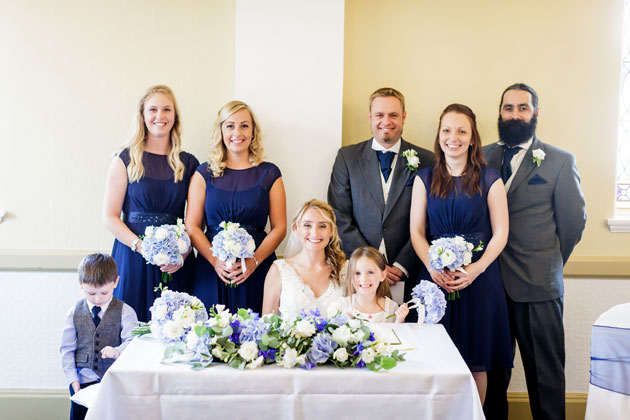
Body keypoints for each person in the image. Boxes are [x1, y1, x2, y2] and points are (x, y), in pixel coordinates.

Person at [483, 84, 587, 420]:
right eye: (508, 108)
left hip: (539, 286)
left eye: (523, 108)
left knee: (545, 376)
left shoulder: (559, 161)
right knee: (491, 374)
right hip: (491, 285)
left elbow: (573, 224)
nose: (515, 115)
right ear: (499, 112)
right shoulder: (480, 156)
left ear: (535, 113)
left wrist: (549, 264)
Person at [410, 103, 512, 404]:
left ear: (472, 137)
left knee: (475, 364)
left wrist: (476, 269)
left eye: (461, 130)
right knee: (434, 359)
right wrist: (432, 266)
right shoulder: (424, 179)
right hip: (435, 279)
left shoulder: (490, 178)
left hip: (480, 280)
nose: (453, 137)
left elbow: (502, 232)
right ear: (439, 135)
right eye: (446, 130)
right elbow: (416, 231)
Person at [328, 87, 435, 308]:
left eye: (393, 115)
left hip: (408, 272)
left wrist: (402, 265)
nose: (386, 121)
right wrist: (371, 265)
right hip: (360, 275)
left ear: (404, 116)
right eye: (379, 115)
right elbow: (339, 214)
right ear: (370, 116)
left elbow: (430, 217)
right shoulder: (347, 157)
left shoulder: (427, 160)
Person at [103, 85, 199, 322]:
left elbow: (196, 221)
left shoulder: (189, 163)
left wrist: (183, 255)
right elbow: (110, 217)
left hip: (176, 262)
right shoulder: (124, 159)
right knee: (131, 331)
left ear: (174, 116)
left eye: (167, 109)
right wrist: (141, 246)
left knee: (177, 329)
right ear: (143, 115)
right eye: (153, 109)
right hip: (133, 258)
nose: (160, 116)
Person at [187, 100, 286, 314]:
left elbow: (280, 227)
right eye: (230, 125)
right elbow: (192, 226)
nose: (237, 132)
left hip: (256, 267)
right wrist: (215, 261)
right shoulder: (203, 173)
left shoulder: (269, 173)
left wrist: (254, 260)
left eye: (244, 125)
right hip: (211, 267)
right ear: (221, 130)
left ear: (253, 132)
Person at [60, 253, 138, 420]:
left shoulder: (126, 312)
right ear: (81, 284)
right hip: (82, 381)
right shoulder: (74, 312)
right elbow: (67, 349)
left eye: (104, 292)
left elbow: (133, 342)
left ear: (116, 282)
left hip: (112, 381)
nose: (97, 299)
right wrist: (72, 379)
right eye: (91, 293)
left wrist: (117, 351)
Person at [262, 199, 345, 318]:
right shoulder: (279, 270)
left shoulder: (346, 269)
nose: (315, 233)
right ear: (296, 228)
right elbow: (266, 327)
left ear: (331, 230)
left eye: (322, 226)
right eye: (307, 225)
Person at [340, 246, 409, 323]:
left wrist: (400, 320)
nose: (364, 279)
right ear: (351, 277)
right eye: (357, 273)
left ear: (382, 275)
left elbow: (396, 333)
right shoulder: (342, 306)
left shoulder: (391, 307)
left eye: (370, 272)